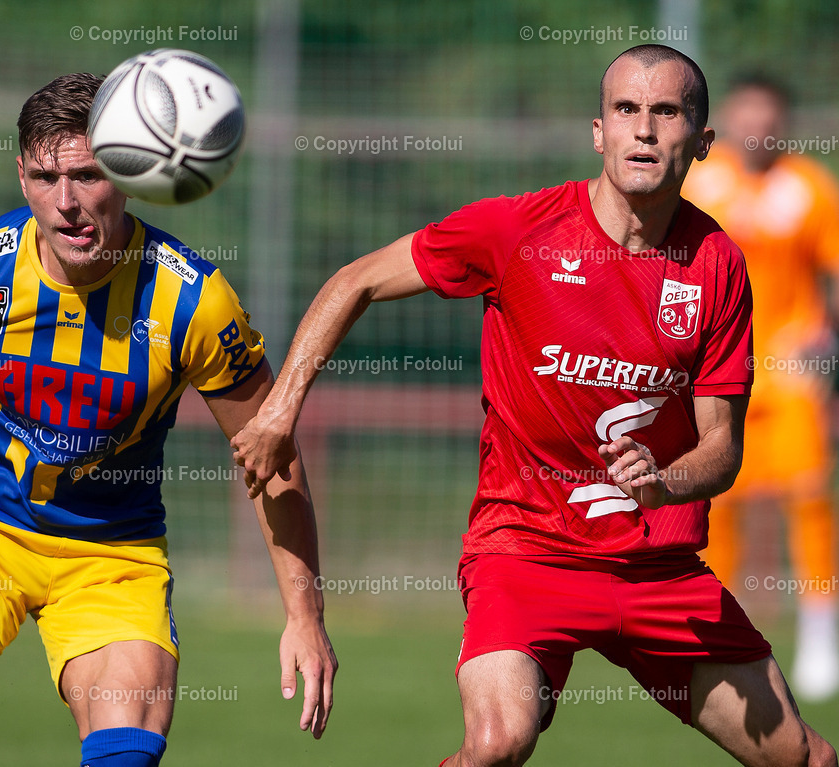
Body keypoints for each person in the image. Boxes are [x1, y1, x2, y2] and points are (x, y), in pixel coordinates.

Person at [230, 45, 837, 767]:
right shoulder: (520, 230)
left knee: (802, 757)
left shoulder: (717, 264)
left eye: (667, 112)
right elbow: (356, 281)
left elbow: (721, 449)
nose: (644, 129)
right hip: (526, 551)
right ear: (598, 131)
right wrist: (277, 410)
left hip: (658, 568)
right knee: (497, 743)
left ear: (702, 142)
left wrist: (662, 480)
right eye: (626, 110)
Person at [0, 73, 336, 767]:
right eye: (47, 177)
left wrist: (304, 614)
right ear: (20, 175)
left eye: (88, 174)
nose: (68, 203)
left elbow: (272, 454)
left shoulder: (187, 302)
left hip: (111, 556)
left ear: (130, 173)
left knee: (124, 755)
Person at [683, 73, 839, 701]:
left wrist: (827, 348)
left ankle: (821, 636)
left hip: (790, 374)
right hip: (718, 370)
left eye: (769, 117)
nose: (758, 129)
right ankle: (716, 638)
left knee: (809, 499)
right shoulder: (702, 181)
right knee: (717, 505)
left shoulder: (810, 189)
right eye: (747, 116)